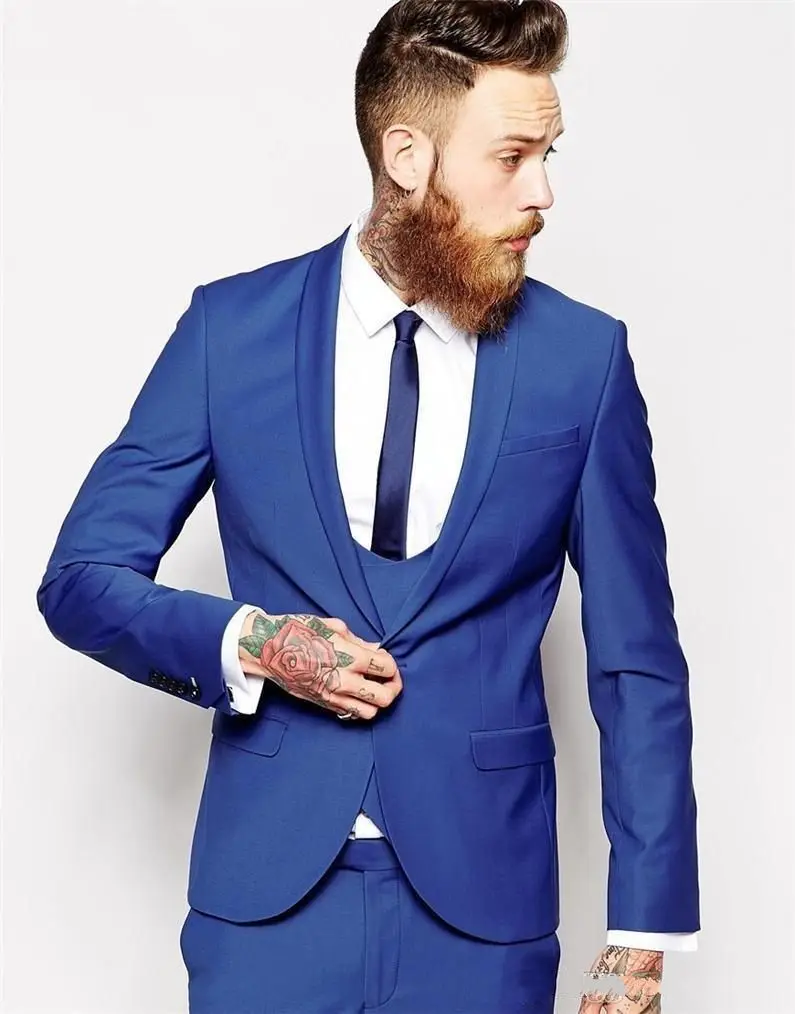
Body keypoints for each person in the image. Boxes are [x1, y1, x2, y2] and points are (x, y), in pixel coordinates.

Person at [35, 1, 700, 1011]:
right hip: (263, 904)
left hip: (486, 912)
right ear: (405, 156)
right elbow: (81, 581)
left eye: (549, 154)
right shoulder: (230, 332)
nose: (543, 192)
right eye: (512, 157)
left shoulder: (583, 359)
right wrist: (257, 644)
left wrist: (640, 933)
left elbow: (635, 660)